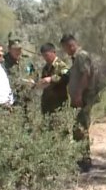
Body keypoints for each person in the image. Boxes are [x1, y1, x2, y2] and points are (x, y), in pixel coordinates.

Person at [61, 34, 97, 172]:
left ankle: (85, 161)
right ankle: (81, 159)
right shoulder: (77, 58)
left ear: (71, 45)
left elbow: (85, 75)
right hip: (79, 98)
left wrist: (78, 94)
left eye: (66, 48)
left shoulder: (81, 56)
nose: (66, 51)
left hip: (83, 98)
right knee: (78, 127)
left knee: (81, 128)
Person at [3, 36, 36, 110]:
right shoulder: (3, 62)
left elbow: (34, 74)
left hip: (28, 99)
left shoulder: (27, 61)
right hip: (11, 100)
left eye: (19, 49)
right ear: (9, 49)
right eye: (15, 49)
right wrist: (20, 82)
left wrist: (32, 80)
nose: (18, 51)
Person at [37, 43, 70, 115]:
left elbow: (67, 77)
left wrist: (51, 79)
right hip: (47, 103)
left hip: (59, 102)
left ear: (54, 52)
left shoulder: (61, 65)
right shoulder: (46, 67)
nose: (45, 58)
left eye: (47, 55)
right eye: (43, 56)